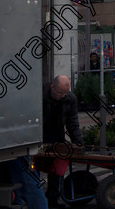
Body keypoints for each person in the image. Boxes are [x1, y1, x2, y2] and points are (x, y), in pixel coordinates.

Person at [43, 75, 83, 207]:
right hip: (39, 133)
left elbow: (72, 123)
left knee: (57, 168)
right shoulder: (41, 94)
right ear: (52, 87)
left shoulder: (70, 99)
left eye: (66, 92)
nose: (63, 96)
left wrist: (78, 143)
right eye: (60, 93)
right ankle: (33, 196)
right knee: (34, 166)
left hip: (56, 133)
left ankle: (54, 198)